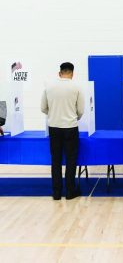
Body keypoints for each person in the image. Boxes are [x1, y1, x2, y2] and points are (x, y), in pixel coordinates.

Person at [41, 62, 84, 200]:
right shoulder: (76, 87)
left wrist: (53, 114)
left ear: (59, 73)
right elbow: (81, 110)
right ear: (72, 73)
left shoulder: (49, 87)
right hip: (70, 127)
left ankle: (56, 193)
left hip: (54, 127)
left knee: (56, 160)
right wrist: (73, 117)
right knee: (71, 160)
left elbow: (43, 108)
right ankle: (70, 191)